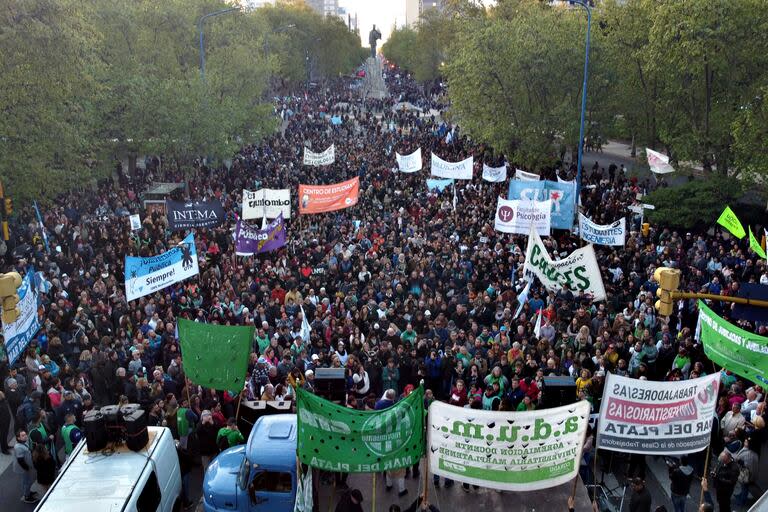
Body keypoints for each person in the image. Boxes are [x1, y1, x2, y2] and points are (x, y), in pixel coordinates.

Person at [13, 429, 38, 503]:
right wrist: (27, 468)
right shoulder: (18, 447)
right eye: (22, 435)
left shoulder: (23, 443)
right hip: (23, 468)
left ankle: (28, 492)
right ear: (18, 438)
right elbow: (20, 460)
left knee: (27, 481)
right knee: (26, 482)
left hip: (26, 466)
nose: (25, 436)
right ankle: (26, 496)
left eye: (25, 434)